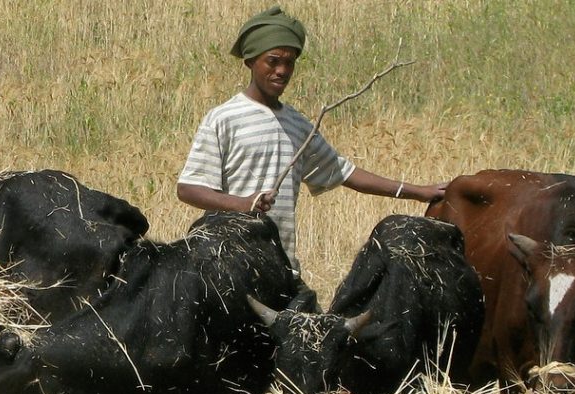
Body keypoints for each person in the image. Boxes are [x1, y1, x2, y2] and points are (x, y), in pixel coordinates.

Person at [177, 6, 447, 269]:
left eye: (289, 63)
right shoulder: (224, 118)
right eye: (272, 61)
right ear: (250, 61)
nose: (282, 71)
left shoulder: (298, 125)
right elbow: (189, 188)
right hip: (226, 266)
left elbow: (344, 172)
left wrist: (417, 192)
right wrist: (243, 204)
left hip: (280, 266)